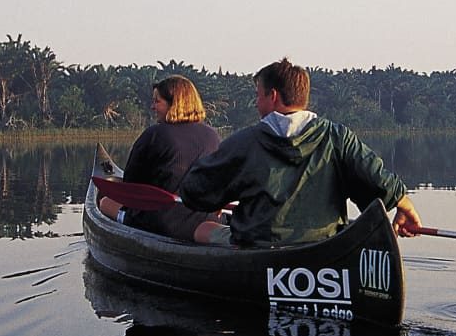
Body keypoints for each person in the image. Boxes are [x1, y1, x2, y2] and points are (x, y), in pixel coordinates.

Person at [179, 58, 421, 247]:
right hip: (324, 247)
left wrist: (218, 199)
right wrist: (405, 206)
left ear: (272, 96)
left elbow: (195, 191)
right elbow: (379, 180)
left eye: (258, 95)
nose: (256, 102)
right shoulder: (337, 138)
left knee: (204, 228)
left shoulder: (245, 142)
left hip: (258, 248)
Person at [98, 75, 224, 242]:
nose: (152, 107)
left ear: (174, 104)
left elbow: (130, 185)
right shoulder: (212, 135)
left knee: (104, 202)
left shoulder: (155, 134)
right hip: (204, 219)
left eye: (157, 101)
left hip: (161, 222)